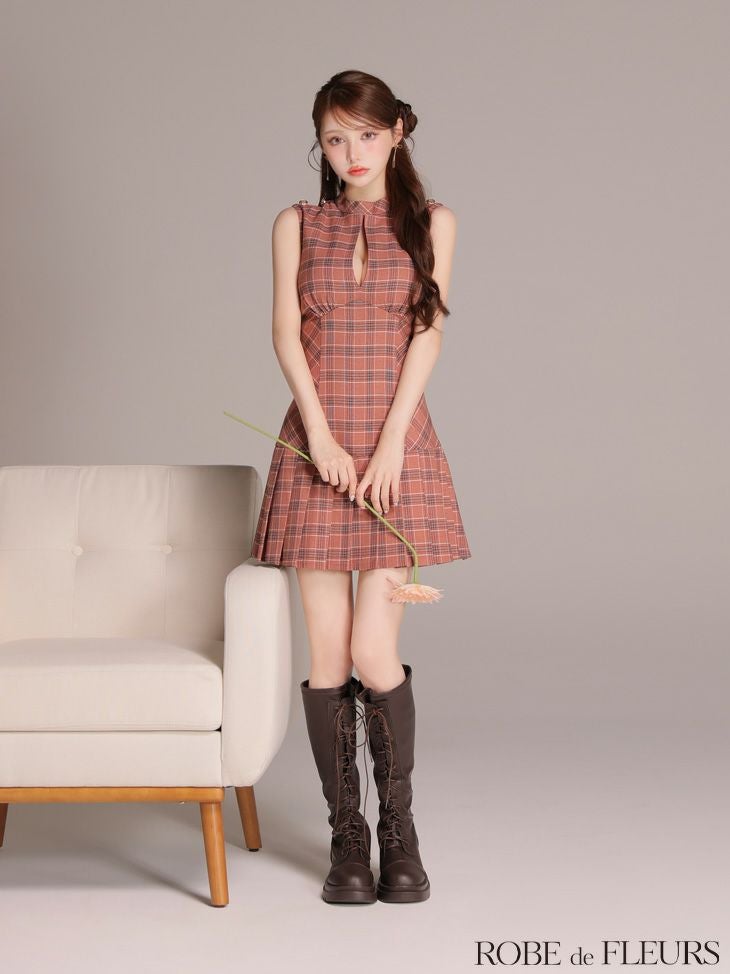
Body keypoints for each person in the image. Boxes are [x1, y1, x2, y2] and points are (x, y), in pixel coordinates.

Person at [251, 69, 471, 904]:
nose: (352, 153)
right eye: (335, 138)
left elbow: (428, 336)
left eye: (367, 135)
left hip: (394, 453)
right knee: (328, 653)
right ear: (320, 143)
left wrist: (388, 447)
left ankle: (399, 830)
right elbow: (285, 334)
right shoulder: (296, 223)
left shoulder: (433, 222)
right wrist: (319, 436)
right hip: (318, 451)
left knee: (375, 650)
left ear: (397, 133)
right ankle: (348, 839)